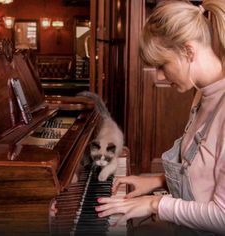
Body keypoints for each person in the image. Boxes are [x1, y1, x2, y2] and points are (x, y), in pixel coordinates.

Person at [95, 0, 225, 235]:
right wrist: (157, 182)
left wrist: (154, 203)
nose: (160, 76)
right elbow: (203, 175)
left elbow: (222, 217)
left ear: (188, 51)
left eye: (162, 65)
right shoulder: (201, 94)